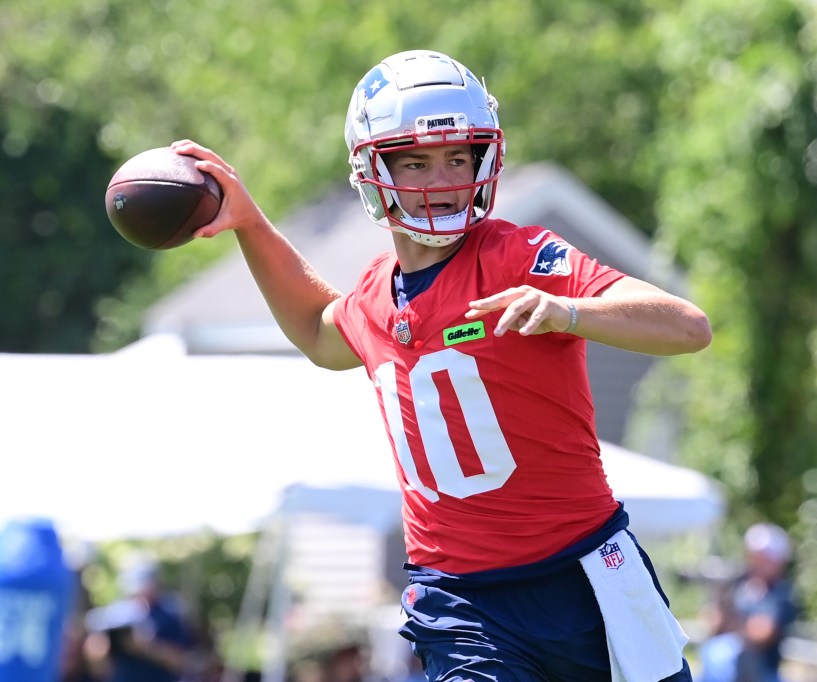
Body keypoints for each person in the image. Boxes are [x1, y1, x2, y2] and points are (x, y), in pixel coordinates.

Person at [170, 48, 712, 682]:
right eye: (418, 162)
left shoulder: (519, 255)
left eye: (458, 157)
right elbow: (320, 333)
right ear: (373, 170)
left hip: (584, 575)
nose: (444, 178)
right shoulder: (375, 295)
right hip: (461, 599)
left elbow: (687, 327)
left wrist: (567, 311)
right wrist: (250, 224)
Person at [696, 524, 800, 682]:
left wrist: (732, 622)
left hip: (763, 672)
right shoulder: (737, 584)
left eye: (764, 557)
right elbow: (712, 621)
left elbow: (763, 633)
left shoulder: (781, 593)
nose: (756, 562)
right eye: (754, 556)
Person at [82, 554, 197, 682]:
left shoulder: (169, 614)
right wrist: (99, 648)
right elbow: (97, 663)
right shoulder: (116, 614)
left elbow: (181, 661)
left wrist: (146, 647)